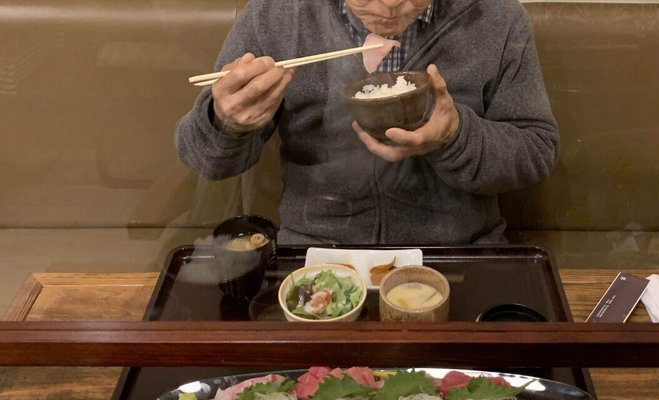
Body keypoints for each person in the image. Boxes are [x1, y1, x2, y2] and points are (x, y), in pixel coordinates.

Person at [176, 0, 559, 244]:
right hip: (317, 251)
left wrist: (455, 136)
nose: (390, 5)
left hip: (458, 251)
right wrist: (226, 122)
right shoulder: (276, 14)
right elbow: (205, 161)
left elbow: (536, 152)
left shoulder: (497, 17)